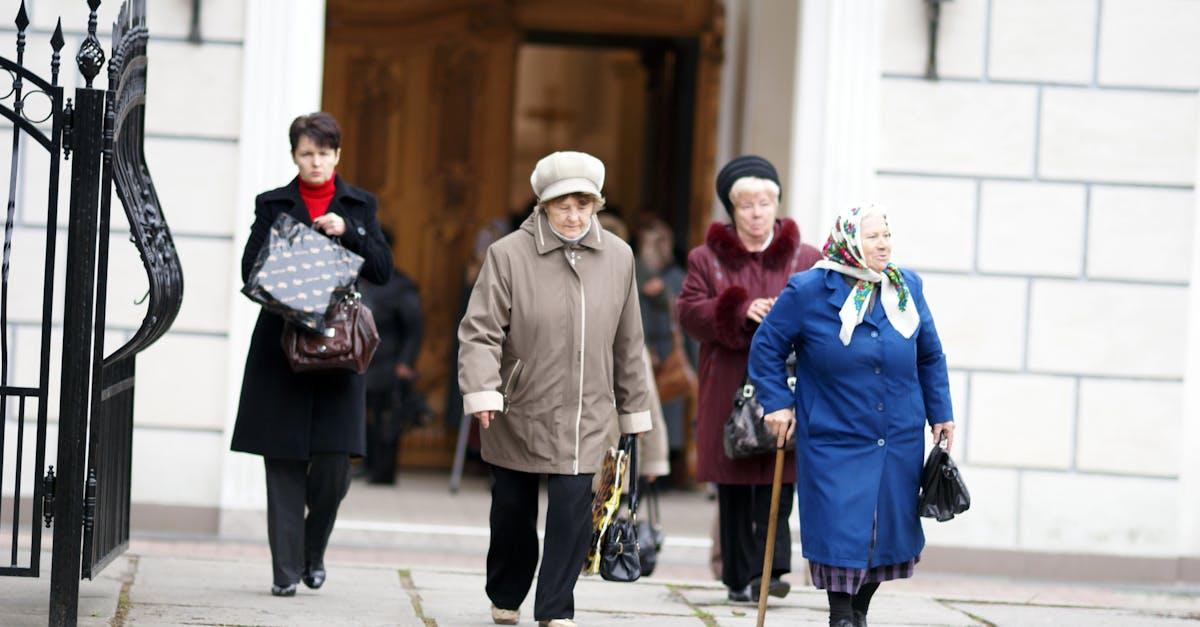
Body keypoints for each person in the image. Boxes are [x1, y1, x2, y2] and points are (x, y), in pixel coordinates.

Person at [457, 151, 653, 627]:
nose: (573, 215)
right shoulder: (507, 255)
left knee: (572, 513)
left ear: (596, 206)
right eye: (563, 204)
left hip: (588, 412)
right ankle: (505, 594)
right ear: (543, 204)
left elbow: (629, 339)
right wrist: (483, 389)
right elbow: (480, 330)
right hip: (520, 407)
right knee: (512, 513)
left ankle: (555, 610)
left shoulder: (619, 257)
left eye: (584, 205)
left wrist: (634, 411)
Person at [749, 204, 955, 627]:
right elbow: (767, 347)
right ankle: (840, 615)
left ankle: (857, 612)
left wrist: (941, 413)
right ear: (848, 243)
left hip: (897, 434)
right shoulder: (809, 290)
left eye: (886, 234)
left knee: (887, 532)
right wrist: (776, 403)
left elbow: (929, 354)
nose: (884, 244)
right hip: (834, 434)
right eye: (872, 236)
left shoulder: (905, 287)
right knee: (839, 528)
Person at [231, 112, 393, 597]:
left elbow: (383, 269)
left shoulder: (359, 205)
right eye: (306, 154)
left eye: (324, 153)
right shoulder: (273, 204)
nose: (315, 162)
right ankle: (285, 573)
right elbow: (249, 268)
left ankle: (311, 551)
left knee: (333, 466)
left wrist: (350, 232)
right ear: (294, 156)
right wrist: (294, 243)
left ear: (337, 155)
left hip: (338, 352)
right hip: (281, 349)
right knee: (282, 463)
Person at [677, 155, 821, 603]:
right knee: (735, 477)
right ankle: (738, 575)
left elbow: (825, 312)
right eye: (746, 205)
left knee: (781, 473)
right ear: (732, 209)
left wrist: (785, 315)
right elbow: (688, 312)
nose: (757, 213)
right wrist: (739, 309)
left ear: (776, 203)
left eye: (764, 203)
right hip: (729, 381)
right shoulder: (706, 259)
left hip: (789, 381)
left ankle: (772, 571)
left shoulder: (806, 258)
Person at [360, 227, 425, 484]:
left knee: (387, 419)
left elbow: (414, 328)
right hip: (360, 361)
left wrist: (405, 363)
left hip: (388, 363)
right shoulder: (358, 279)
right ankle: (365, 465)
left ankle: (382, 472)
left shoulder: (400, 286)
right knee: (362, 417)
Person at [635, 218, 690, 472]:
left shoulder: (675, 278)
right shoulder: (635, 271)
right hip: (645, 347)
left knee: (668, 410)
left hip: (666, 348)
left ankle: (664, 467)